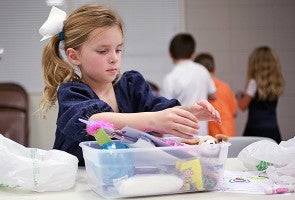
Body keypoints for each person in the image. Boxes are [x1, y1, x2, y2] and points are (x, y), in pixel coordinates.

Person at [39, 4, 221, 166]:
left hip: (119, 180)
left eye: (118, 49)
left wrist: (189, 112)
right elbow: (93, 122)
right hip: (78, 184)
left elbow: (157, 108)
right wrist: (154, 120)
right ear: (74, 56)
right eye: (103, 51)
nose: (114, 58)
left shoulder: (130, 85)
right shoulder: (72, 93)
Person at [161, 33, 216, 136]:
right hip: (200, 132)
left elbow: (163, 108)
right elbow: (213, 95)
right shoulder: (203, 71)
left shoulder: (170, 78)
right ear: (193, 54)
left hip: (177, 135)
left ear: (170, 54)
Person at [236, 46, 284, 143]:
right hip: (273, 129)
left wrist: (239, 97)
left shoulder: (253, 83)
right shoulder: (276, 83)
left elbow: (243, 106)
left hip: (254, 129)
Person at [194, 53, 238, 137]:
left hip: (213, 136)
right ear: (214, 69)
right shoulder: (225, 87)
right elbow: (235, 112)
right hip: (228, 132)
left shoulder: (200, 89)